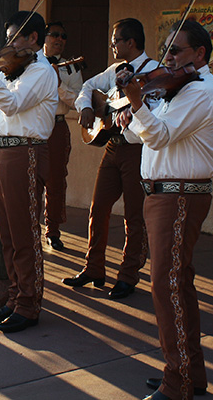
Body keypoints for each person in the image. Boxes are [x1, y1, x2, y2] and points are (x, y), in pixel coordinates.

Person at [116, 20, 213, 400]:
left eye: (175, 50)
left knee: (166, 285)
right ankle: (190, 372)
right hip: (163, 194)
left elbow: (159, 136)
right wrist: (131, 113)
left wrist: (138, 105)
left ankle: (177, 383)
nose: (168, 57)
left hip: (179, 196)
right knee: (178, 283)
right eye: (166, 49)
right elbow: (142, 133)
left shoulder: (200, 91)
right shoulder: (174, 87)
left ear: (199, 54)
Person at [0, 11, 58, 333]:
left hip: (25, 153)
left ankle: (29, 304)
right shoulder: (15, 70)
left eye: (14, 38)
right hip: (2, 150)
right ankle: (15, 297)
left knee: (23, 233)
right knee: (7, 234)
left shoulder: (41, 72)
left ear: (33, 39)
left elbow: (10, 105)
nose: (8, 46)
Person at [63, 18, 158, 299]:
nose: (112, 45)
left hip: (137, 152)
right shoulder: (115, 70)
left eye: (116, 40)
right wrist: (86, 107)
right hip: (112, 147)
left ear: (131, 43)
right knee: (98, 209)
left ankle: (129, 276)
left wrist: (135, 105)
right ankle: (94, 268)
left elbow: (154, 112)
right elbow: (87, 87)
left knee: (134, 215)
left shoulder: (153, 72)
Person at [42, 21, 83, 251]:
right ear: (44, 38)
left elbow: (79, 102)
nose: (59, 40)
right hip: (33, 126)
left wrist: (58, 85)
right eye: (54, 35)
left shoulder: (71, 67)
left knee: (56, 180)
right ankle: (28, 226)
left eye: (63, 36)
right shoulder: (32, 63)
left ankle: (53, 229)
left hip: (57, 127)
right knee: (31, 178)